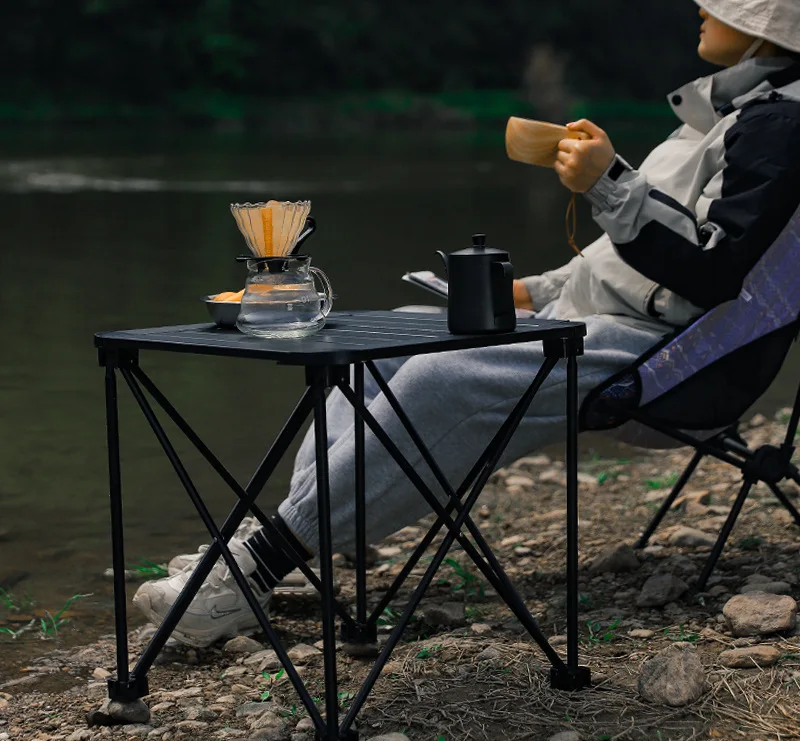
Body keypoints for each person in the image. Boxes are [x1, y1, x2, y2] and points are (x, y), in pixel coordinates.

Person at [134, 0, 800, 647]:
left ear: (767, 28)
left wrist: (609, 184)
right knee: (386, 340)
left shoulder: (778, 129)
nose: (703, 8)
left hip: (669, 360)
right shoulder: (723, 115)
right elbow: (619, 267)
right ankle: (277, 546)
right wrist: (527, 293)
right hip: (604, 321)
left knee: (439, 378)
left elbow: (713, 270)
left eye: (726, 4)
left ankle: (253, 566)